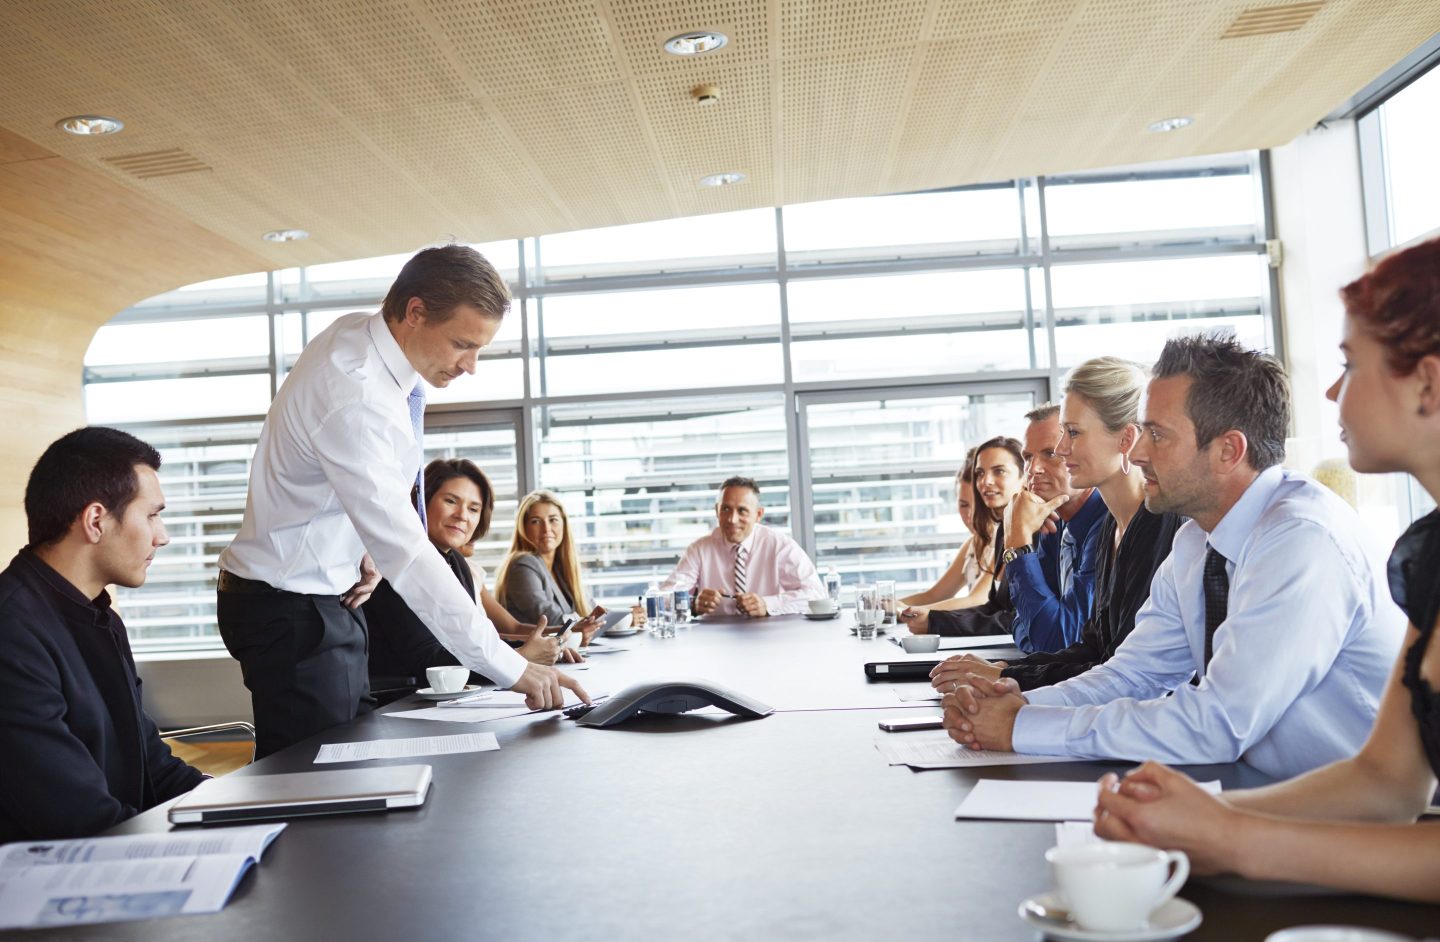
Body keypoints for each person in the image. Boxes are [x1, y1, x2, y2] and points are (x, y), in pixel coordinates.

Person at [1092, 237, 1440, 904]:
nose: (1334, 390)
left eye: (1350, 366)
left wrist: (1231, 840)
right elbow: (1386, 783)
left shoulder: (1307, 536)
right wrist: (1205, 824)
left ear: (1426, 384)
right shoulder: (1430, 561)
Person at [943, 333, 1405, 780]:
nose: (1138, 451)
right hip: (1263, 788)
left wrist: (1021, 726)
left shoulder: (1301, 539)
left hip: (1359, 822)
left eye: (1157, 436)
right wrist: (1021, 707)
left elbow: (1219, 722)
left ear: (1228, 450)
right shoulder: (1195, 542)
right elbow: (1132, 674)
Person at [217, 245, 587, 759]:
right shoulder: (355, 393)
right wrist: (513, 669)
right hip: (288, 605)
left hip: (329, 593)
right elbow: (412, 557)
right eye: (462, 344)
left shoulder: (365, 338)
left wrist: (362, 549)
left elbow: (354, 478)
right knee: (316, 780)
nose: (471, 366)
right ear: (414, 312)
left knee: (353, 759)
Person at [0, 427, 205, 842]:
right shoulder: (12, 633)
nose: (161, 536)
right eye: (151, 515)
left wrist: (237, 805)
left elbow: (152, 765)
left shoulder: (98, 615)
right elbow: (75, 816)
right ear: (96, 520)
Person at [931, 357, 1184, 692]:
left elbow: (1122, 671)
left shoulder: (1159, 525)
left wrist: (1012, 677)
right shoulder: (1113, 528)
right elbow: (1093, 647)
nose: (1063, 449)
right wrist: (1006, 668)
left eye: (1073, 433)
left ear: (1125, 440)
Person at [366, 461, 589, 687]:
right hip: (403, 701)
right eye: (451, 501)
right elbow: (426, 660)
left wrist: (537, 650)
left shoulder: (457, 563)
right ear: (423, 502)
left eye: (473, 509)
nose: (462, 515)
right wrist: (519, 659)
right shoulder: (400, 562)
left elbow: (469, 642)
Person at [908, 408, 1106, 655]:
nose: (1034, 469)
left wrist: (1017, 543)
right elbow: (1023, 623)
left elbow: (1054, 640)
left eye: (1050, 453)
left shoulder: (1099, 528)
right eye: (1029, 457)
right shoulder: (1052, 524)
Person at [660, 476, 825, 617]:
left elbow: (816, 595)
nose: (732, 519)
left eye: (742, 511)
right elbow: (663, 599)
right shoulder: (699, 549)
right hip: (714, 641)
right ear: (717, 511)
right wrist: (693, 604)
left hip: (770, 638)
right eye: (725, 509)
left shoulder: (779, 546)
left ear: (758, 515)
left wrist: (767, 605)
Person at [494, 490, 599, 629]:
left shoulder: (561, 568)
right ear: (524, 528)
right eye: (536, 521)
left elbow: (592, 610)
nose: (546, 528)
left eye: (553, 520)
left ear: (564, 524)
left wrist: (626, 617)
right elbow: (549, 618)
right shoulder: (523, 565)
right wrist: (587, 622)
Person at [900, 448, 991, 608]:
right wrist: (887, 606)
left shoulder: (1005, 543)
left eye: (978, 505)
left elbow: (975, 601)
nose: (970, 515)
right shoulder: (972, 545)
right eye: (963, 505)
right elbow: (934, 596)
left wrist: (904, 611)